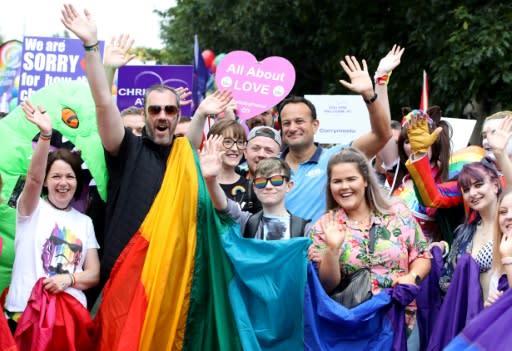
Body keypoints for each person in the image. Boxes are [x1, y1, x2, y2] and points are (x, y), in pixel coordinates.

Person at [61, 4, 233, 283]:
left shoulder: (182, 155)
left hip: (169, 282)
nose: (162, 115)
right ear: (144, 114)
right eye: (155, 110)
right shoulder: (127, 149)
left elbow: (189, 144)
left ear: (178, 116)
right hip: (122, 278)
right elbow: (103, 102)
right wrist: (92, 48)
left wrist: (201, 113)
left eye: (169, 110)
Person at [308, 147, 431, 335]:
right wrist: (332, 250)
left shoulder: (397, 213)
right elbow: (326, 285)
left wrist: (413, 276)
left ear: (365, 180)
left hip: (401, 320)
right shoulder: (324, 225)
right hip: (354, 327)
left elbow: (422, 254)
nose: (344, 186)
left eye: (351, 179)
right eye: (337, 181)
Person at [3, 100, 100, 333]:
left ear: (77, 184)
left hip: (68, 322)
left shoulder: (85, 222)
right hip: (25, 315)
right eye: (56, 176)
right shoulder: (31, 208)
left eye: (70, 177)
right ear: (46, 182)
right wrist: (46, 136)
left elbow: (93, 273)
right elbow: (33, 179)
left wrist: (69, 280)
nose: (63, 182)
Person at [279, 56, 392, 222]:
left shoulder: (337, 157)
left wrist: (369, 95)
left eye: (299, 121)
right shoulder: (271, 166)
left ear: (315, 125)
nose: (292, 128)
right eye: (286, 123)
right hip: (284, 247)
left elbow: (382, 135)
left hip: (327, 245)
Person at [201, 135, 311, 239]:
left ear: (289, 185)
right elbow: (223, 205)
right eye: (261, 181)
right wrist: (210, 179)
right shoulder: (245, 222)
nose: (268, 186)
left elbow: (321, 253)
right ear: (254, 187)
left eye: (276, 180)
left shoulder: (306, 229)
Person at [206, 120, 251, 210]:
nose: (235, 148)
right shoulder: (199, 184)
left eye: (240, 142)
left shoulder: (251, 187)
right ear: (212, 143)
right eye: (227, 142)